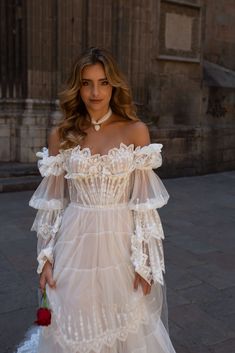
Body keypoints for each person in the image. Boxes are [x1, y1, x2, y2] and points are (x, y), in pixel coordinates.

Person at [29, 47, 176, 353]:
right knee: (73, 320)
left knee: (123, 323)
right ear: (77, 87)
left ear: (115, 86)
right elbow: (53, 204)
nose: (95, 92)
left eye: (104, 82)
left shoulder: (135, 131)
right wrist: (45, 259)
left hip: (120, 246)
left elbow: (144, 206)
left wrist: (145, 263)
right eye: (86, 83)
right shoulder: (61, 134)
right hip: (74, 244)